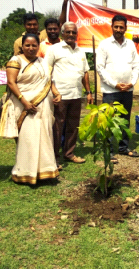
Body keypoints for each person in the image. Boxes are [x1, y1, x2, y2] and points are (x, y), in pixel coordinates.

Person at [0, 33, 60, 184]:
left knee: (45, 135)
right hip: (24, 106)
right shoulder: (16, 60)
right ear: (22, 47)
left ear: (38, 46)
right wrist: (24, 102)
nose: (31, 48)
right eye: (28, 45)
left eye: (34, 45)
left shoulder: (43, 62)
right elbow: (11, 83)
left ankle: (45, 170)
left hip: (44, 105)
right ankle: (25, 172)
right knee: (28, 138)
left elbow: (49, 81)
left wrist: (57, 93)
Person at [45, 22, 93, 169]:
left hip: (76, 94)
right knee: (58, 127)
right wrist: (54, 91)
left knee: (73, 126)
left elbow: (85, 73)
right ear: (62, 33)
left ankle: (69, 153)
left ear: (76, 34)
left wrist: (88, 91)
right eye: (68, 32)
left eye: (74, 32)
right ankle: (54, 158)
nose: (71, 35)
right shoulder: (54, 49)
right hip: (60, 95)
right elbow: (47, 71)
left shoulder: (80, 51)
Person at [96, 15, 139, 162]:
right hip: (110, 91)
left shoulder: (131, 45)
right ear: (112, 27)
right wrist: (114, 84)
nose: (118, 30)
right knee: (108, 121)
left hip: (127, 90)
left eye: (121, 27)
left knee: (125, 120)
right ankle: (108, 151)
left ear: (125, 28)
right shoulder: (104, 44)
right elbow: (100, 68)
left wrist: (132, 83)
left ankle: (123, 147)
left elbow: (136, 66)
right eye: (116, 27)